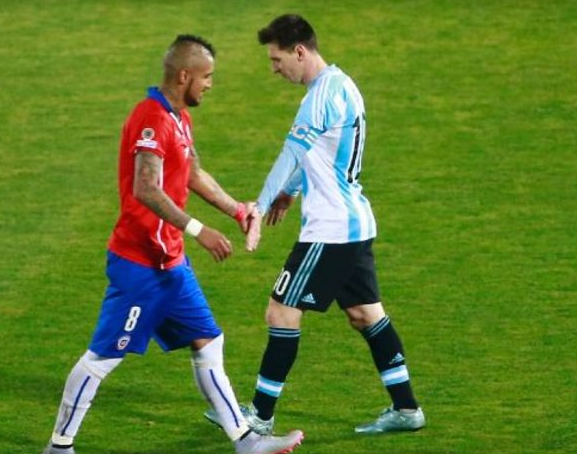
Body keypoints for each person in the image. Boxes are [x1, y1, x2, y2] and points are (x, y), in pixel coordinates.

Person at [41, 35, 303, 454]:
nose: (210, 84)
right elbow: (146, 187)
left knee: (208, 341)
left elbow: (193, 173)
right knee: (104, 357)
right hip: (140, 265)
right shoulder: (151, 119)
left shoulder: (178, 117)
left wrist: (236, 210)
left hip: (171, 264)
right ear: (184, 76)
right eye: (207, 76)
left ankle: (246, 440)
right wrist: (200, 230)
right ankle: (59, 446)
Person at [205, 14, 426, 435]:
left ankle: (260, 416)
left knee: (281, 312)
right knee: (364, 314)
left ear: (300, 52)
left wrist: (260, 206)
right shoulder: (343, 85)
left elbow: (292, 152)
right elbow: (324, 153)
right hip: (354, 223)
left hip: (330, 231)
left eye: (277, 60)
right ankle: (407, 408)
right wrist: (291, 190)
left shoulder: (319, 96)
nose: (274, 69)